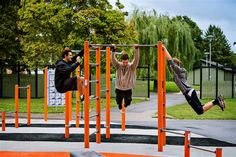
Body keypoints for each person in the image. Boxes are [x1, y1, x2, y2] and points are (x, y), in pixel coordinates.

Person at [162, 45, 225, 115]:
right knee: (200, 109)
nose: (170, 66)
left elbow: (170, 60)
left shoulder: (179, 70)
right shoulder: (178, 72)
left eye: (172, 65)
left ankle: (217, 101)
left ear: (175, 65)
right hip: (189, 93)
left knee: (199, 110)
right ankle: (217, 101)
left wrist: (164, 48)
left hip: (189, 93)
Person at [111, 44, 140, 110]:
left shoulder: (132, 67)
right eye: (123, 62)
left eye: (126, 62)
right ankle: (119, 105)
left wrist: (136, 49)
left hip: (128, 88)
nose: (125, 64)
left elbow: (136, 60)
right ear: (121, 61)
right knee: (118, 100)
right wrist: (113, 50)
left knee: (128, 101)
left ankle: (126, 104)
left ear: (128, 60)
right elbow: (113, 60)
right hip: (119, 87)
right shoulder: (118, 66)